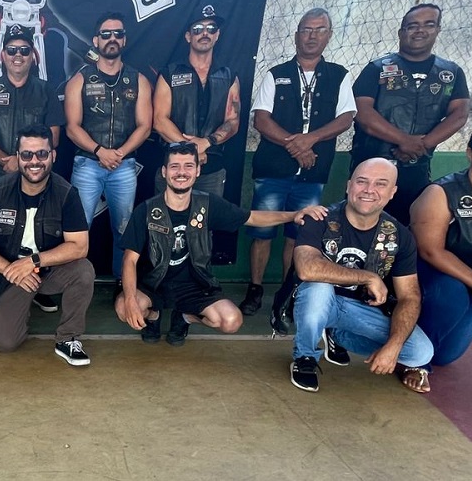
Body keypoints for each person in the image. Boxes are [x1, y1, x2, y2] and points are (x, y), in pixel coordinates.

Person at [116, 141, 326, 346]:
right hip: (153, 284)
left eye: (188, 166)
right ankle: (153, 316)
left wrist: (294, 214)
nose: (181, 172)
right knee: (123, 308)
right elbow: (129, 260)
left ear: (198, 171)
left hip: (195, 286)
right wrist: (131, 300)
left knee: (231, 321)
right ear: (164, 172)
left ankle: (185, 317)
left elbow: (252, 217)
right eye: (174, 166)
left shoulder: (208, 204)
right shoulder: (146, 210)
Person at [239, 8, 356, 316]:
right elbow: (261, 120)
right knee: (262, 233)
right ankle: (255, 288)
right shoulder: (276, 74)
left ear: (329, 35)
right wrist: (296, 145)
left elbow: (346, 118)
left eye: (319, 30)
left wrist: (311, 139)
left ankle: (288, 292)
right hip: (272, 170)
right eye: (306, 29)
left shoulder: (339, 76)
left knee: (298, 236)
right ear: (296, 36)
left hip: (313, 173)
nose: (312, 36)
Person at [289, 158, 434, 394]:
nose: (369, 190)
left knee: (420, 353)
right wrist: (368, 277)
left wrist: (394, 346)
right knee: (319, 287)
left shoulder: (399, 235)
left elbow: (410, 296)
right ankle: (305, 357)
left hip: (359, 309)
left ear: (392, 192)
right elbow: (307, 269)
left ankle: (336, 335)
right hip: (315, 301)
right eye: (362, 181)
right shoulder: (320, 218)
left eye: (380, 184)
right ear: (349, 186)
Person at [0, 124, 95, 366]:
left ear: (53, 155)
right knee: (6, 343)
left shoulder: (66, 193)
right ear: (17, 157)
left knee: (84, 270)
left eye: (42, 154)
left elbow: (80, 246)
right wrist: (10, 269)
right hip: (10, 273)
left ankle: (68, 338)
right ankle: (21, 303)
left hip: (48, 270)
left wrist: (33, 261)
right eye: (27, 155)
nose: (34, 161)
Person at [0, 23, 64, 312]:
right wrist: (6, 160)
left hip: (37, 175)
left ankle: (39, 287)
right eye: (12, 50)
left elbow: (54, 135)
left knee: (39, 231)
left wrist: (27, 162)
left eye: (24, 50)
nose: (18, 55)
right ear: (3, 55)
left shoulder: (46, 91)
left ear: (33, 55)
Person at [351, 3, 469, 225]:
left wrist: (421, 145)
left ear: (438, 29)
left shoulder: (451, 73)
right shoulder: (377, 68)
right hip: (372, 163)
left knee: (411, 226)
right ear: (401, 32)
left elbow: (459, 114)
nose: (420, 30)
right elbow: (362, 112)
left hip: (418, 167)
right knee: (361, 224)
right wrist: (404, 140)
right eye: (412, 25)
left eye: (428, 24)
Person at [410, 119, 472, 367]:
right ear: (470, 152)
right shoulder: (441, 192)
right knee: (451, 294)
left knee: (445, 356)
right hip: (440, 277)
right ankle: (413, 358)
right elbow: (430, 251)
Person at [64, 11, 152, 283]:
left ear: (124, 40)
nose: (112, 38)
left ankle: (121, 282)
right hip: (88, 164)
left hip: (124, 166)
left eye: (118, 34)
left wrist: (120, 154)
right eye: (106, 34)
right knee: (78, 229)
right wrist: (99, 151)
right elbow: (72, 127)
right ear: (96, 40)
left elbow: (145, 126)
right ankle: (73, 284)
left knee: (124, 228)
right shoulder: (80, 79)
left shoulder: (138, 80)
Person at [153, 4, 240, 197]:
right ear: (188, 36)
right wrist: (192, 149)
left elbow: (233, 121)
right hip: (174, 166)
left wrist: (207, 142)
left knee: (208, 216)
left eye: (211, 28)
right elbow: (159, 120)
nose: (205, 33)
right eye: (198, 29)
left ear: (217, 35)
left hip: (211, 168)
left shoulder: (228, 76)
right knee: (165, 216)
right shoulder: (170, 73)